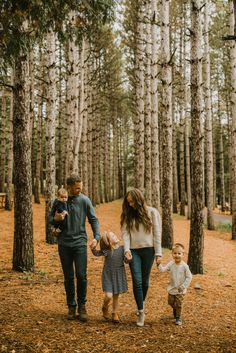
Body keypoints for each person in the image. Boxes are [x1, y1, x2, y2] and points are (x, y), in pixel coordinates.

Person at [49, 174, 100, 322]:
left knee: (81, 275)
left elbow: (93, 219)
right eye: (77, 188)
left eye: (81, 188)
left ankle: (82, 306)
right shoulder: (58, 201)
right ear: (69, 187)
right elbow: (50, 218)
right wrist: (55, 219)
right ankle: (71, 306)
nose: (80, 190)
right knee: (68, 277)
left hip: (79, 244)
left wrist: (96, 237)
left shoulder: (84, 200)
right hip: (64, 244)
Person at [121, 188, 162, 327]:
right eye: (128, 202)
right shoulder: (128, 214)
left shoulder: (152, 212)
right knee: (137, 281)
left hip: (149, 251)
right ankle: (141, 311)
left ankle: (140, 304)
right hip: (134, 251)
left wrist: (158, 253)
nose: (130, 205)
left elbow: (157, 234)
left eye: (132, 202)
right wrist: (126, 250)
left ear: (139, 200)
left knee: (145, 283)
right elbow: (126, 234)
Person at [89, 231, 128, 323]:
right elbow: (97, 253)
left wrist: (128, 258)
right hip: (108, 274)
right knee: (108, 295)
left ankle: (115, 313)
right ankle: (105, 307)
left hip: (119, 273)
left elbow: (126, 260)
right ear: (109, 242)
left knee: (116, 295)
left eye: (114, 234)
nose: (115, 236)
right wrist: (93, 248)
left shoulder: (122, 249)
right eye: (113, 236)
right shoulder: (107, 250)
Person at [157, 243, 192, 325]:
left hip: (180, 290)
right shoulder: (171, 264)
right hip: (172, 288)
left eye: (179, 253)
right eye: (175, 253)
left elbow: (189, 277)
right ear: (172, 254)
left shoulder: (184, 266)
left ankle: (178, 318)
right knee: (171, 302)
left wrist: (183, 286)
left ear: (183, 254)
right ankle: (175, 309)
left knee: (179, 304)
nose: (177, 255)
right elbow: (162, 270)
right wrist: (159, 264)